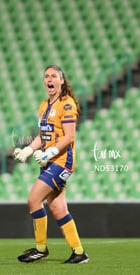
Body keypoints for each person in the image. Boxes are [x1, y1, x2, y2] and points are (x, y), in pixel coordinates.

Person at [13, 65, 89, 264]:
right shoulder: (44, 105)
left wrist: (50, 153)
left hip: (62, 162)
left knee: (33, 200)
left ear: (62, 81)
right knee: (57, 208)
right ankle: (79, 253)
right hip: (50, 162)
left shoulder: (67, 104)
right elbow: (42, 136)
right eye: (46, 76)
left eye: (54, 76)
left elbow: (70, 136)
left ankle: (40, 249)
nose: (49, 79)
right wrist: (28, 150)